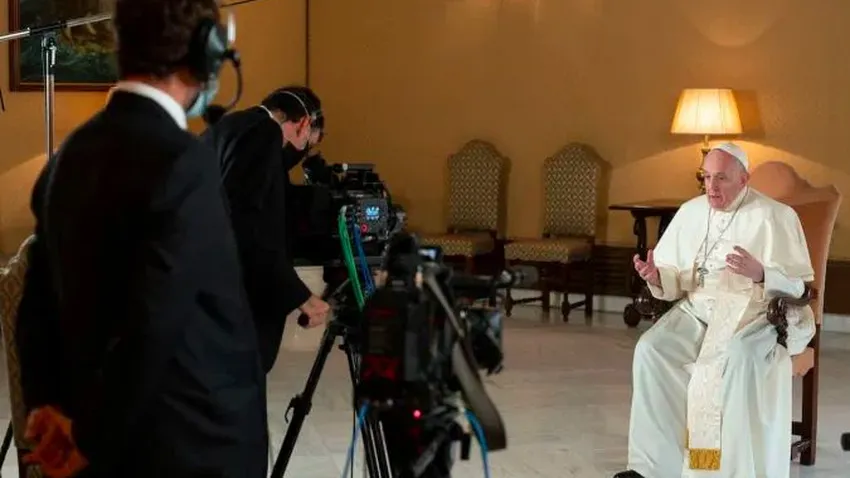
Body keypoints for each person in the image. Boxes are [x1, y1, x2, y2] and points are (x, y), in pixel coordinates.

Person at [15, 1, 267, 476]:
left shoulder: (68, 156)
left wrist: (46, 409)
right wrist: (89, 438)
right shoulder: (185, 163)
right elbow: (153, 323)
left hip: (98, 442)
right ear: (207, 51)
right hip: (188, 448)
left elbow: (36, 307)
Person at [614, 142, 816, 478]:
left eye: (721, 178)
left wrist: (762, 274)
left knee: (737, 359)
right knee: (651, 349)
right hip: (697, 310)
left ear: (744, 179)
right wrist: (657, 277)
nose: (711, 187)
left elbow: (802, 288)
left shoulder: (776, 216)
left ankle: (726, 471)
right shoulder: (690, 211)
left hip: (751, 314)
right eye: (706, 177)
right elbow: (677, 277)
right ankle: (653, 468)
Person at [202, 86, 330, 374]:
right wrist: (299, 295)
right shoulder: (265, 134)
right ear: (304, 123)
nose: (301, 153)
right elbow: (248, 226)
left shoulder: (227, 128)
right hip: (239, 303)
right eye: (307, 145)